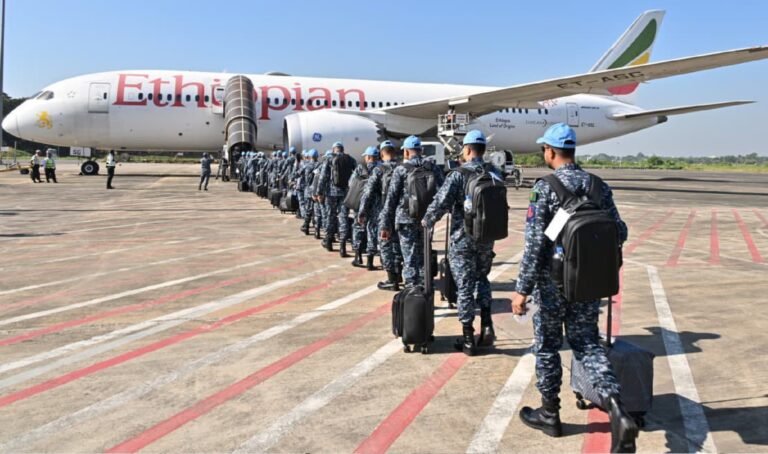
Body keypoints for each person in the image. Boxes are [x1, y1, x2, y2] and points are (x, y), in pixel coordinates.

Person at [510, 123, 637, 451]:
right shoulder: (598, 185)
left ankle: (550, 413)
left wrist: (522, 290)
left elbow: (536, 243)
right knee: (588, 345)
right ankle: (617, 409)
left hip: (552, 284)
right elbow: (619, 232)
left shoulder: (545, 187)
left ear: (550, 152)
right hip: (589, 283)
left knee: (548, 347)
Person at [422, 130, 500, 356]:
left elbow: (440, 203)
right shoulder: (494, 173)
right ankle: (487, 326)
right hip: (486, 238)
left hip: (462, 239)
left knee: (465, 286)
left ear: (466, 150)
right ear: (483, 150)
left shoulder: (458, 175)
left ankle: (468, 338)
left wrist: (427, 221)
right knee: (482, 279)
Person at [379, 135, 444, 288]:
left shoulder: (401, 170)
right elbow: (442, 193)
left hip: (405, 220)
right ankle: (424, 290)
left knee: (409, 258)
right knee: (423, 256)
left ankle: (412, 293)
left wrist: (385, 226)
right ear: (421, 150)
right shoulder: (432, 167)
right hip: (426, 220)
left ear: (407, 152)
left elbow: (391, 201)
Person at [360, 141, 401, 287]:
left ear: (382, 153)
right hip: (401, 211)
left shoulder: (379, 170)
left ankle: (391, 278)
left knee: (385, 243)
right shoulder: (402, 168)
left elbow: (368, 192)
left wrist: (362, 211)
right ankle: (399, 273)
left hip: (382, 212)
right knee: (397, 243)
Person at [315, 141, 356, 257]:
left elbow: (323, 177)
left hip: (331, 193)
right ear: (342, 149)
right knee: (343, 218)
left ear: (333, 149)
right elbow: (356, 175)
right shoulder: (350, 159)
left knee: (330, 216)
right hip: (345, 193)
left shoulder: (328, 159)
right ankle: (343, 246)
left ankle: (329, 242)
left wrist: (319, 192)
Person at [350, 146, 380, 269]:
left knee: (358, 228)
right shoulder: (380, 169)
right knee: (372, 230)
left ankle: (358, 256)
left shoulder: (360, 169)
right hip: (376, 205)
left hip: (361, 204)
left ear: (368, 157)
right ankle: (370, 261)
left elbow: (351, 183)